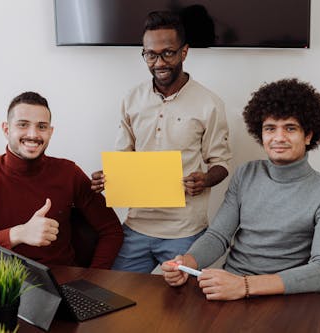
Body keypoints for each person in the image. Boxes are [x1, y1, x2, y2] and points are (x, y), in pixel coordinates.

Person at [162, 78, 320, 300]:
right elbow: (218, 236)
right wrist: (186, 262)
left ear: (308, 135)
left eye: (290, 128)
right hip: (229, 290)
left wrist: (244, 286)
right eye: (270, 128)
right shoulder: (245, 174)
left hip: (284, 298)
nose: (279, 138)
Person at [91, 11, 231, 273]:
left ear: (184, 52)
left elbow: (221, 163)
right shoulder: (131, 99)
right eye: (150, 54)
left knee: (185, 308)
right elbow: (123, 158)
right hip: (136, 226)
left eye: (168, 53)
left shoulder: (209, 103)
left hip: (186, 231)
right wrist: (107, 177)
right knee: (117, 295)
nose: (159, 62)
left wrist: (205, 178)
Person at [0, 92, 123, 269]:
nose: (33, 134)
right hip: (4, 287)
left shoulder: (69, 173)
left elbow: (111, 231)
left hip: (62, 284)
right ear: (6, 129)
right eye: (23, 125)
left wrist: (93, 281)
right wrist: (19, 233)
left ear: (50, 132)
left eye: (41, 127)